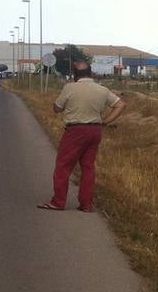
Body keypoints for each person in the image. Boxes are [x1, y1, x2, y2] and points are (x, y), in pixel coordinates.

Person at [38, 61, 125, 212]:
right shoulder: (102, 89)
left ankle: (58, 202)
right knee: (88, 168)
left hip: (75, 131)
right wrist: (105, 122)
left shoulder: (70, 87)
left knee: (63, 167)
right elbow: (120, 105)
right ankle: (86, 204)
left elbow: (57, 108)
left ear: (74, 75)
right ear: (90, 73)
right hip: (95, 131)